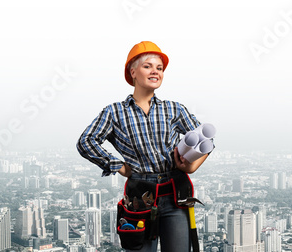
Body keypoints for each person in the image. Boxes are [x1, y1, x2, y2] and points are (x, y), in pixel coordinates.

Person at [77, 41, 212, 252]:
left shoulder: (174, 109)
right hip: (139, 197)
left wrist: (192, 167)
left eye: (159, 68)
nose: (155, 72)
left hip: (175, 193)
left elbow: (207, 141)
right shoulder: (114, 112)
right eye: (148, 66)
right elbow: (86, 141)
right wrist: (118, 166)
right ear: (133, 72)